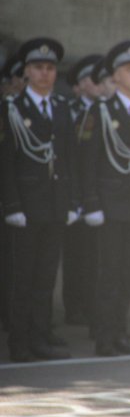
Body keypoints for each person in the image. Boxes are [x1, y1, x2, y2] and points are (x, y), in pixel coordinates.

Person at [1, 37, 79, 362]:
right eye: (38, 68)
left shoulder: (61, 108)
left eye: (50, 68)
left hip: (55, 206)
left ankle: (41, 336)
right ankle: (20, 343)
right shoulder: (13, 109)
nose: (45, 74)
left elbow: (69, 159)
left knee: (46, 278)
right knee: (23, 279)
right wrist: (12, 206)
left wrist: (72, 202)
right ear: (27, 72)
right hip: (27, 208)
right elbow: (6, 163)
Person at [79, 40, 130, 356]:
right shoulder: (101, 111)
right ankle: (105, 336)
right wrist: (92, 203)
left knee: (127, 273)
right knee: (108, 273)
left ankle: (120, 332)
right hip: (110, 204)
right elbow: (88, 162)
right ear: (115, 75)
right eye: (129, 70)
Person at [62, 53, 103, 327]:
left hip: (101, 195)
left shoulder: (105, 111)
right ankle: (73, 306)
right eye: (89, 79)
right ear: (80, 84)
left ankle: (93, 307)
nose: (95, 83)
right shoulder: (68, 110)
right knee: (75, 255)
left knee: (96, 258)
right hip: (74, 194)